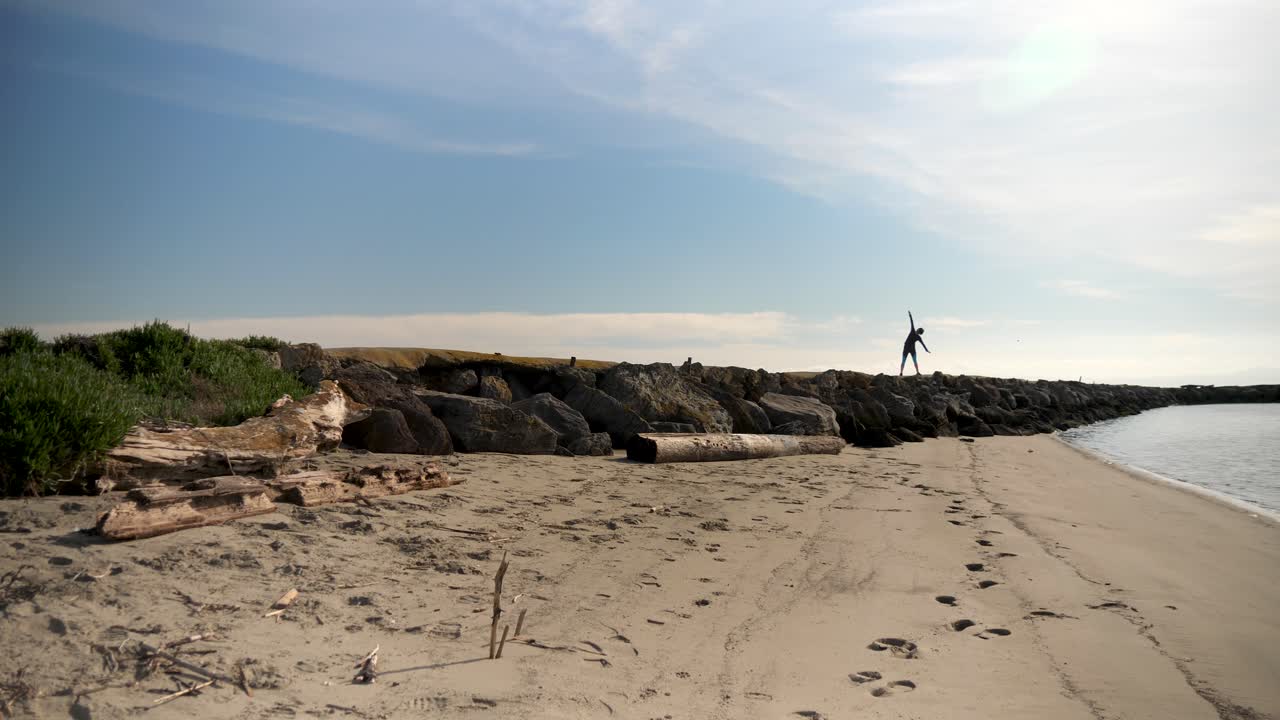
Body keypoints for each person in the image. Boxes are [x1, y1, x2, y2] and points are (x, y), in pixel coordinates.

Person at [899, 310, 930, 376]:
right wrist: (926, 350)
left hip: (907, 347)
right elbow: (923, 344)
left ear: (918, 330)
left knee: (904, 361)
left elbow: (912, 322)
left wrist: (910, 315)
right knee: (914, 361)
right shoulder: (919, 337)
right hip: (911, 348)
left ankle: (901, 373)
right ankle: (917, 372)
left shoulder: (913, 331)